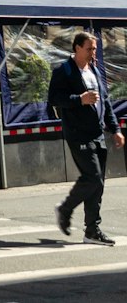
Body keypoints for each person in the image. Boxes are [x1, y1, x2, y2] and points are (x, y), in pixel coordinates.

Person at [49, 30, 124, 246]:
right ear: (77, 48)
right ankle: (65, 209)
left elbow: (106, 102)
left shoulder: (94, 71)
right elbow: (54, 99)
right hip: (77, 133)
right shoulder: (64, 71)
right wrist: (79, 99)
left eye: (95, 49)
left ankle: (92, 230)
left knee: (98, 183)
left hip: (97, 133)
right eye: (90, 48)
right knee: (92, 177)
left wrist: (116, 129)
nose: (93, 52)